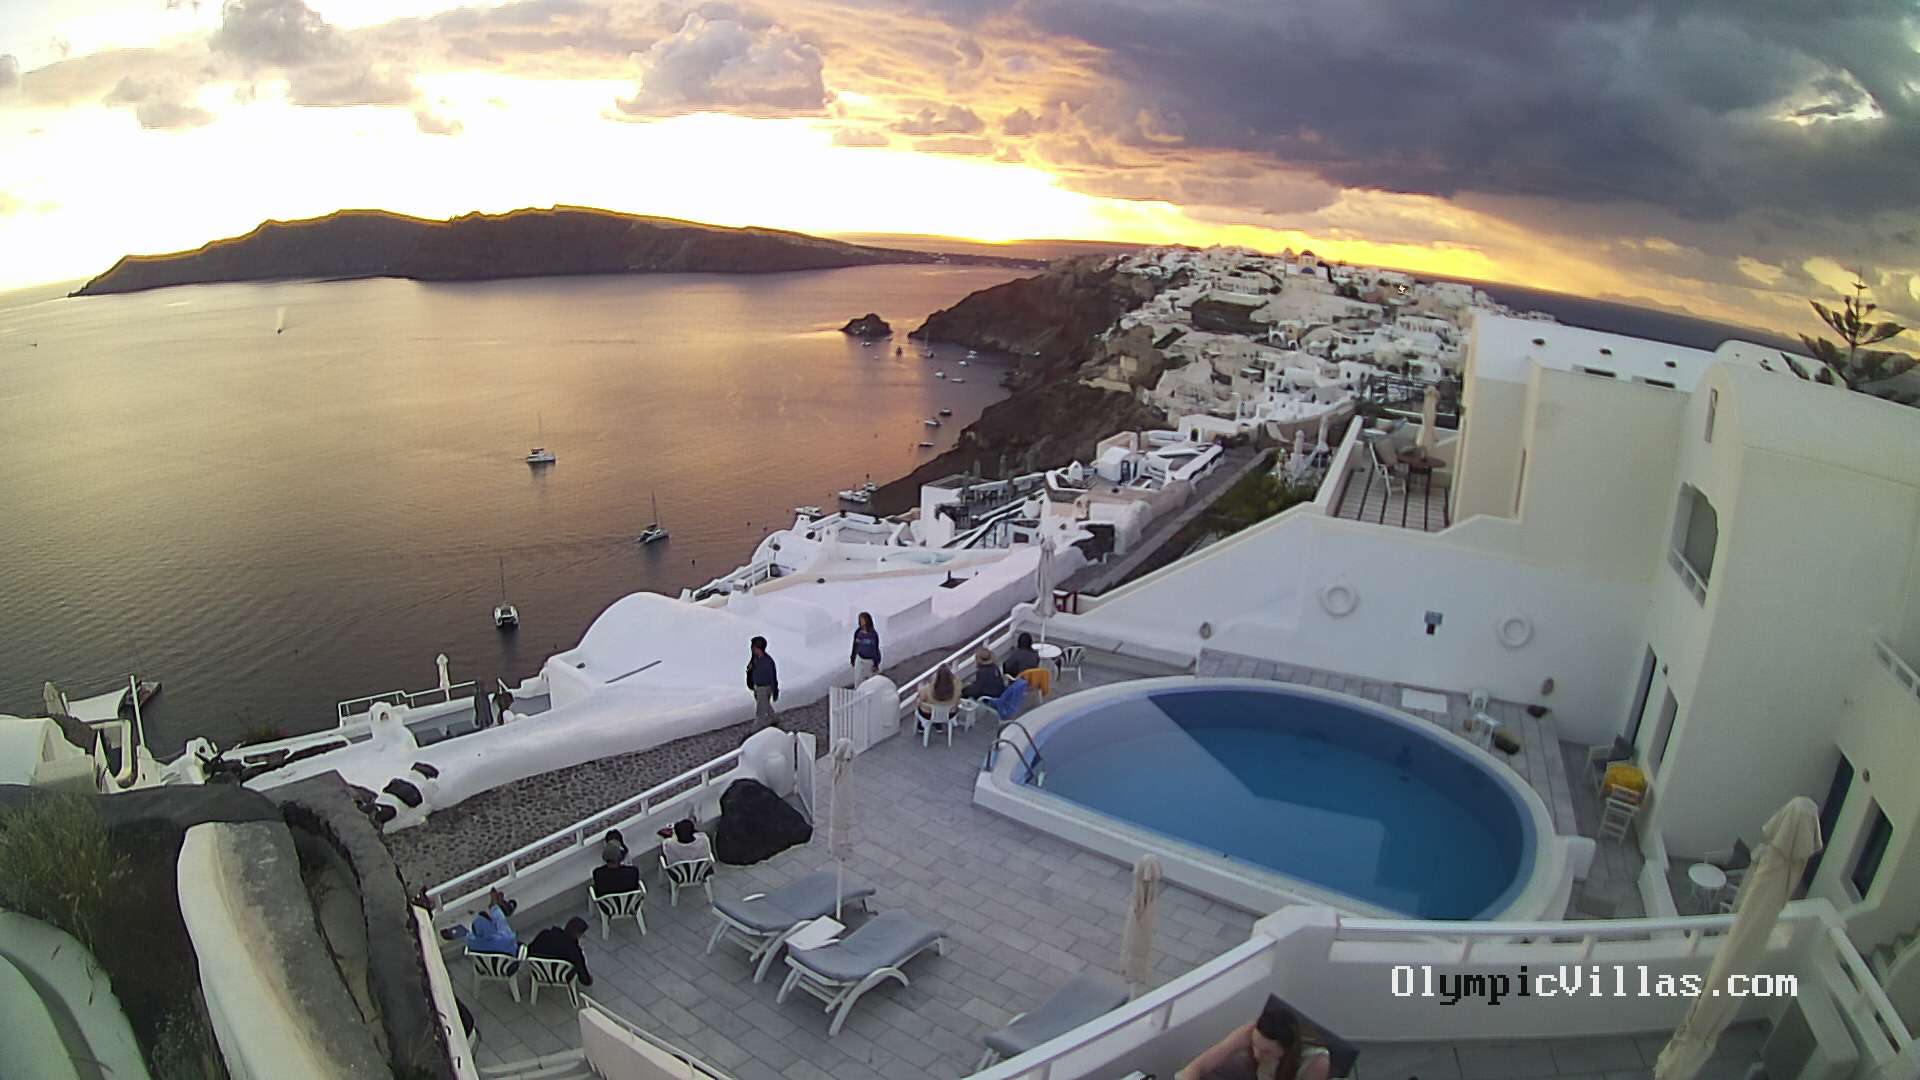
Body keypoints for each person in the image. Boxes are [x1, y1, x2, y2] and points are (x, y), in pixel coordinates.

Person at [1174, 999, 1329, 1080]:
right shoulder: (1253, 1031)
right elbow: (1199, 1065)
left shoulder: (1316, 1063)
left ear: (1286, 1049)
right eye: (1254, 1045)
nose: (1256, 1054)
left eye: (1266, 1051)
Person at [442, 887, 519, 954]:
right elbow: (499, 920)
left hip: (494, 948)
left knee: (490, 920)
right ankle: (499, 908)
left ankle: (498, 907)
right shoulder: (506, 939)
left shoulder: (474, 942)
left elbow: (497, 917)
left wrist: (494, 901)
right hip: (502, 951)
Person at [526, 916, 594, 987]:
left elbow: (529, 950)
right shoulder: (575, 951)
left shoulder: (544, 934)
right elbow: (584, 979)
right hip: (562, 976)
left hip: (539, 972)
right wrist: (589, 980)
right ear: (578, 934)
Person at [746, 636, 779, 727]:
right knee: (766, 705)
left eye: (754, 648)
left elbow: (772, 677)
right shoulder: (755, 660)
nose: (753, 649)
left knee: (760, 710)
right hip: (757, 687)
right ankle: (774, 719)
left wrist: (775, 690)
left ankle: (755, 728)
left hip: (764, 688)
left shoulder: (767, 661)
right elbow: (751, 672)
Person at [849, 612, 882, 683]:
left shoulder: (873, 634)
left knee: (870, 681)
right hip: (860, 659)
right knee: (858, 680)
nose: (861, 622)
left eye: (863, 620)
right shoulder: (858, 632)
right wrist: (853, 657)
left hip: (869, 661)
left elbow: (875, 649)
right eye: (860, 620)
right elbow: (855, 645)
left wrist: (876, 663)